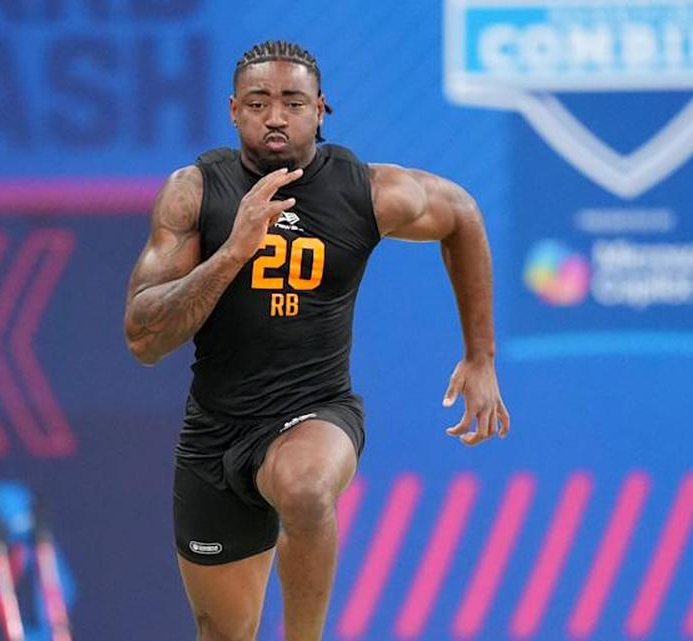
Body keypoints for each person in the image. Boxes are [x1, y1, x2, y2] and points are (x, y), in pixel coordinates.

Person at [124, 40, 510, 641]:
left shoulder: (366, 191)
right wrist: (233, 252)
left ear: (321, 109)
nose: (275, 116)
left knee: (305, 489)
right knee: (222, 631)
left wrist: (480, 354)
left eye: (293, 102)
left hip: (316, 412)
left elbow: (460, 213)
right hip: (216, 433)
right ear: (232, 110)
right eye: (258, 102)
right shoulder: (195, 191)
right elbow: (143, 339)